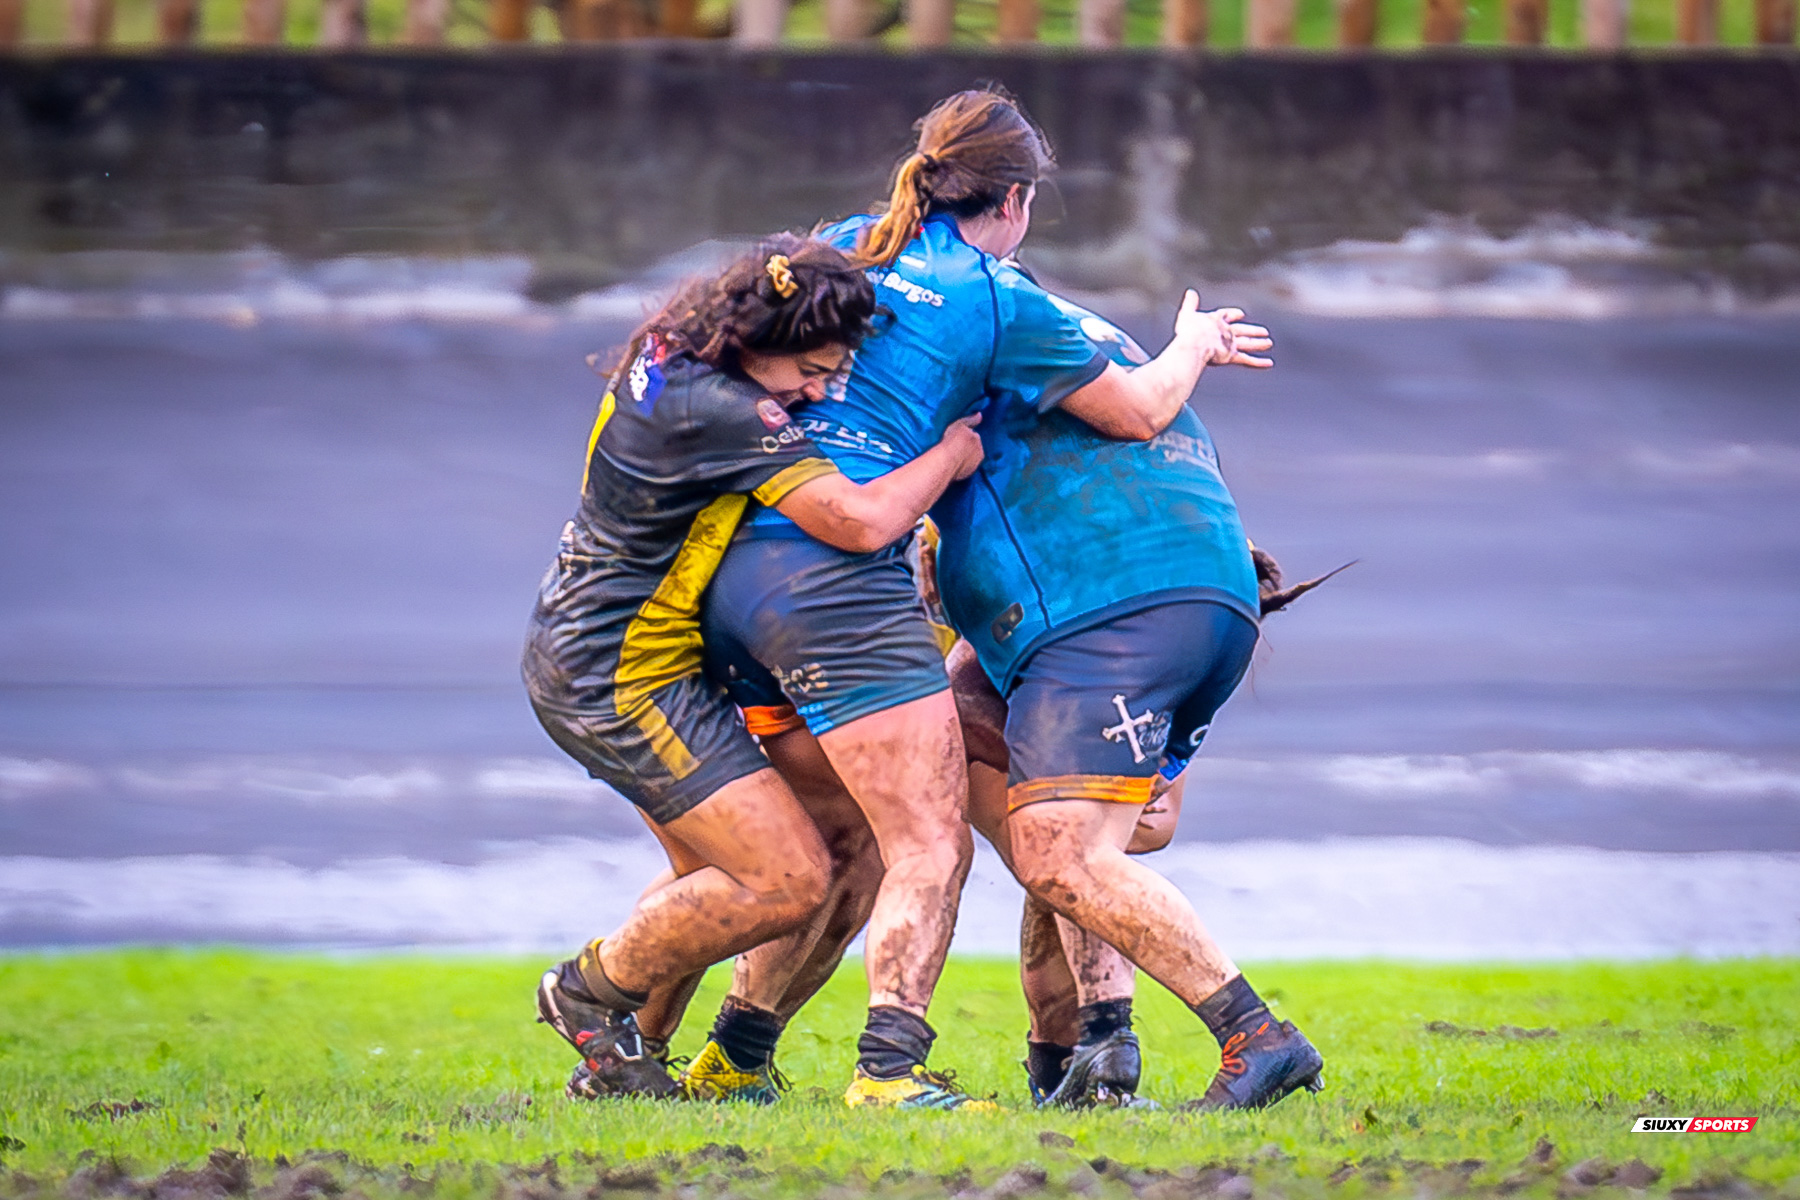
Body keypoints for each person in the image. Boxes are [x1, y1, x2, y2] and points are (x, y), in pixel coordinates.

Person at [682, 86, 1260, 1110]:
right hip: (841, 575)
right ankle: (895, 1071)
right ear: (1019, 199)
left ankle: (726, 1052)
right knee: (947, 837)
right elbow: (1138, 412)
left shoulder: (845, 246)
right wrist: (1197, 342)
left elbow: (720, 330)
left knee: (870, 838)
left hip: (730, 553)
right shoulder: (999, 301)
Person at [523, 234, 983, 1098]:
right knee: (788, 877)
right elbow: (857, 520)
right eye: (808, 369)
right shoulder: (723, 406)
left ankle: (625, 1060)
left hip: (616, 654)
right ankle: (586, 991)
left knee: (716, 877)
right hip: (615, 674)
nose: (813, 391)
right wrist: (952, 456)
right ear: (756, 337)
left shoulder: (676, 347)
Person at [933, 283, 1327, 1113]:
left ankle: (1252, 1037)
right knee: (1061, 856)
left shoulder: (994, 348)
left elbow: (1158, 819)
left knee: (1060, 856)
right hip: (1105, 626)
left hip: (1083, 631)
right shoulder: (1135, 511)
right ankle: (1090, 1063)